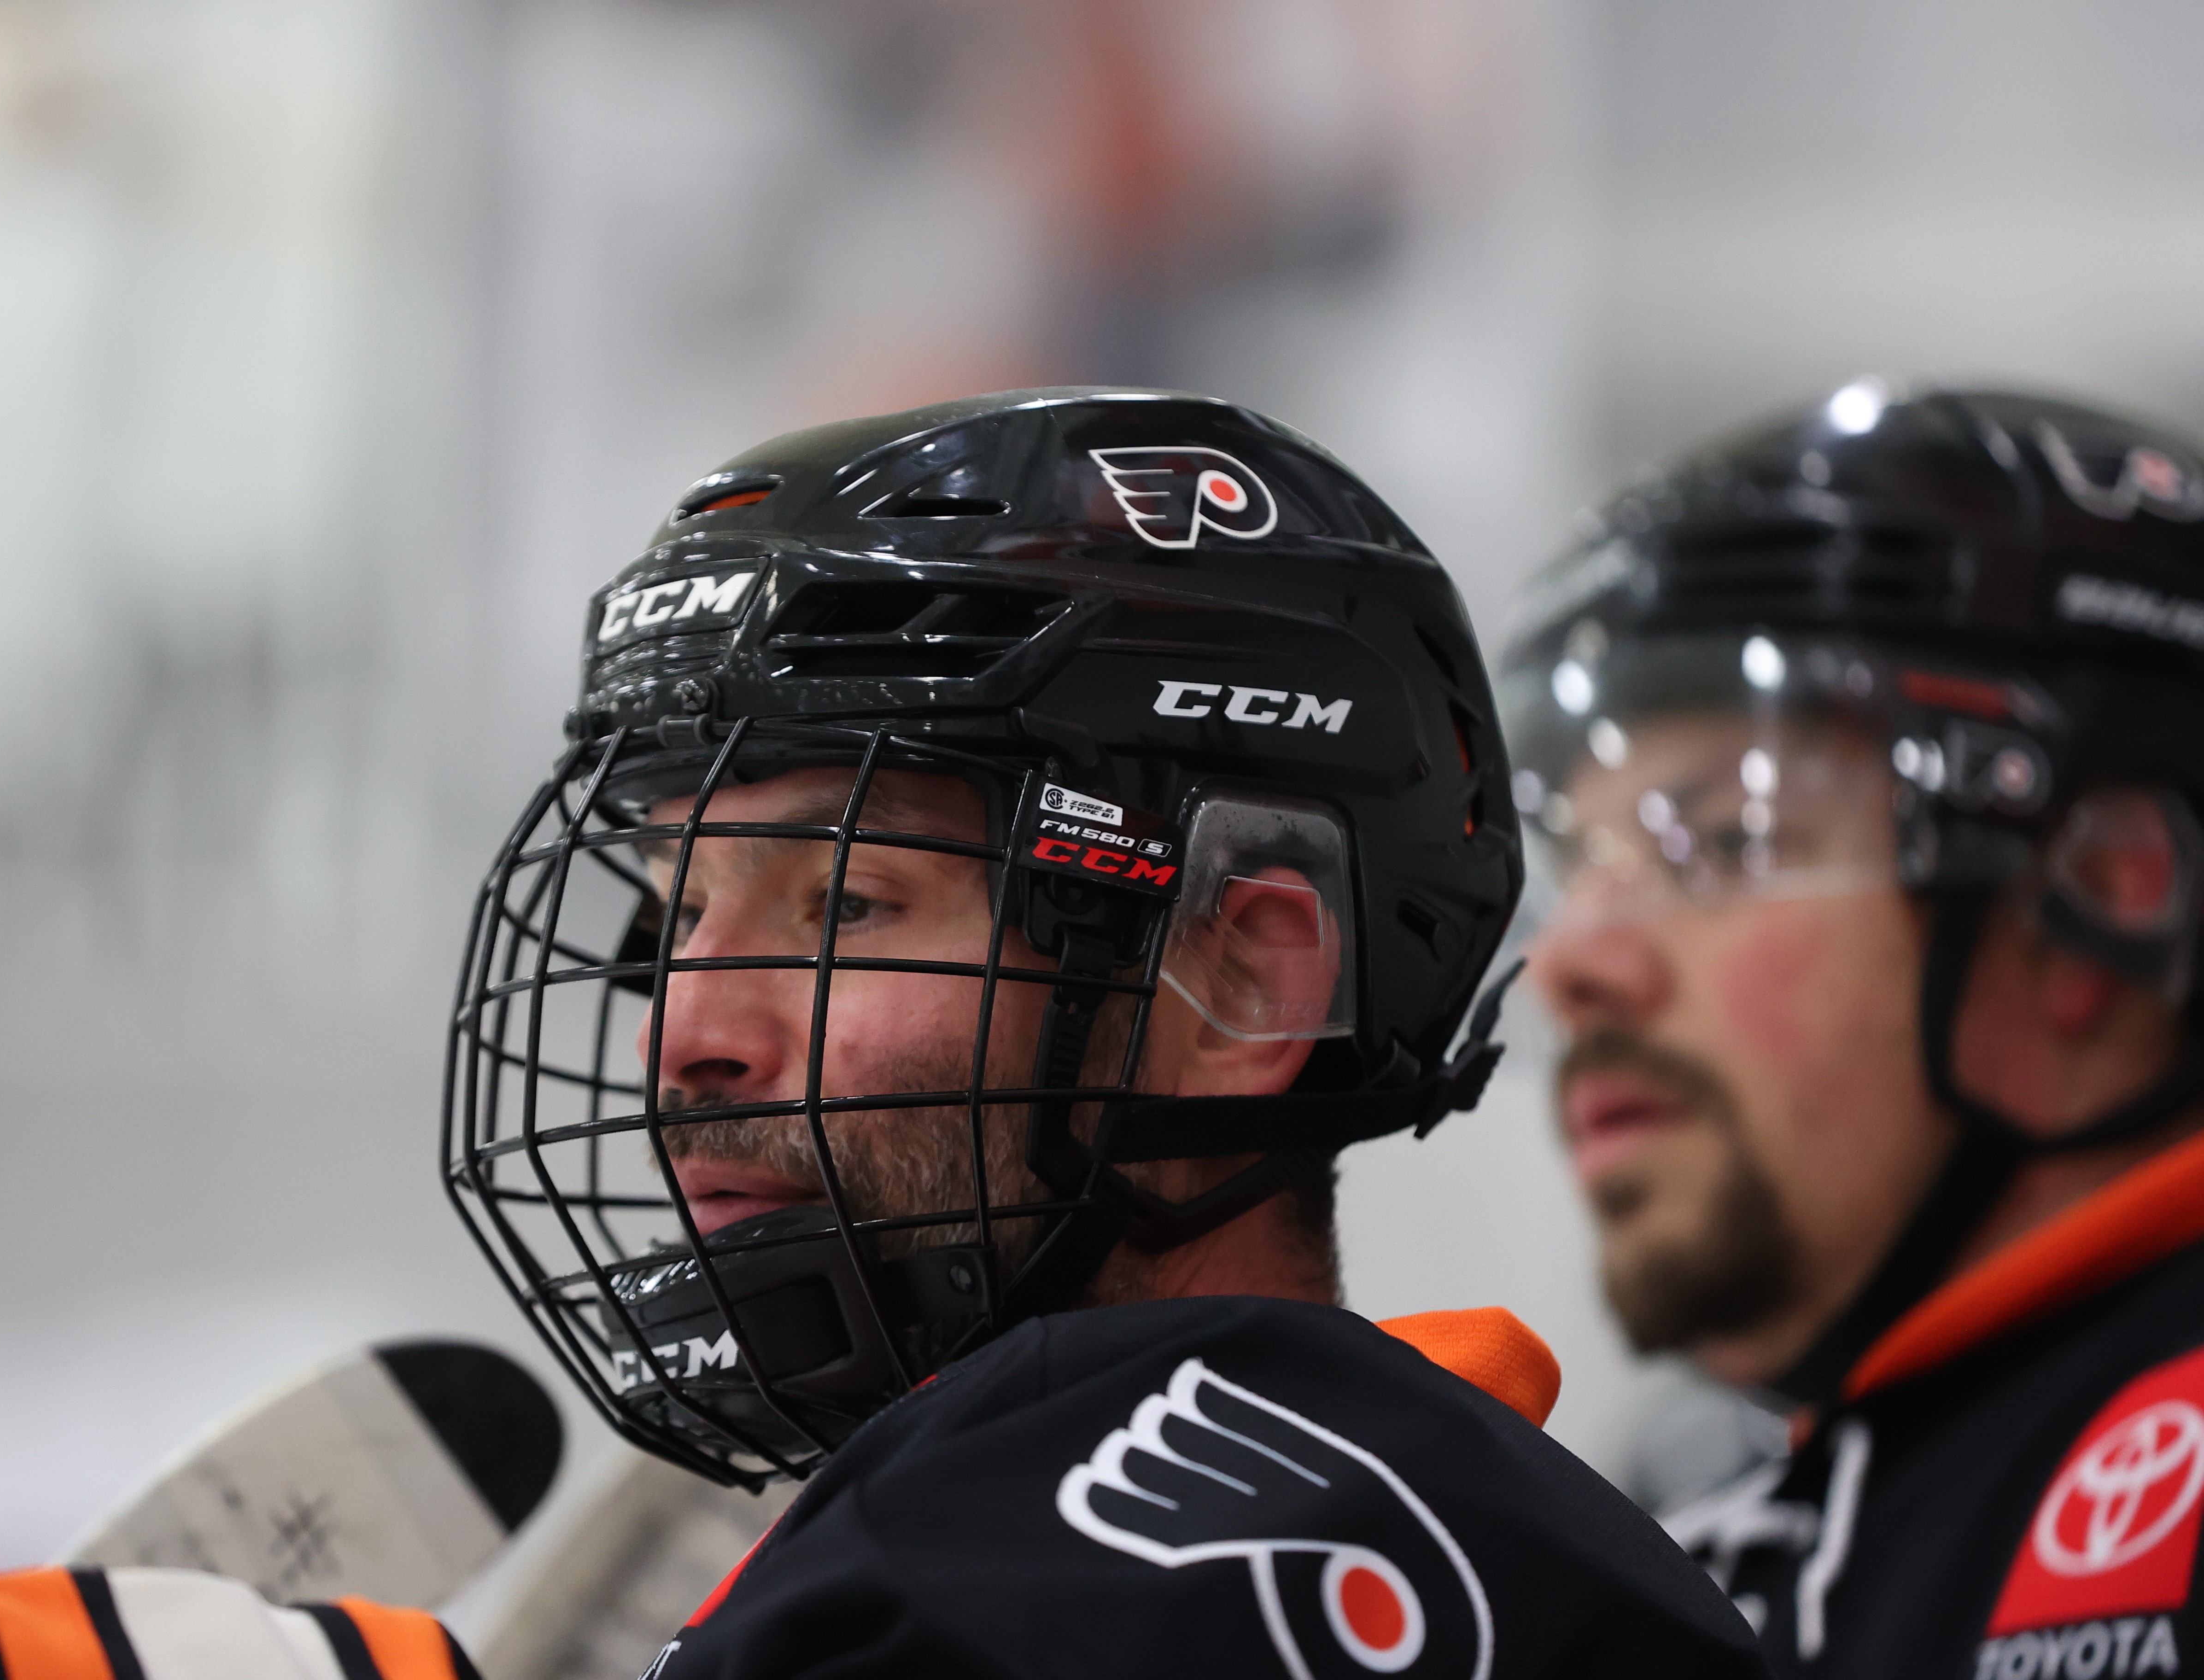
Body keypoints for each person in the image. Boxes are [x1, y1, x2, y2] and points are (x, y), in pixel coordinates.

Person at [441, 386, 1766, 1678]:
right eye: (677, 917)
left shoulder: (980, 1598)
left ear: (1240, 985)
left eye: (847, 901)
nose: (684, 1039)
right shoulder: (1537, 1560)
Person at [1502, 381, 2204, 1678]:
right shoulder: (1670, 1506)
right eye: (1580, 865)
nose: (1574, 966)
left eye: (1724, 840)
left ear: (2100, 893)